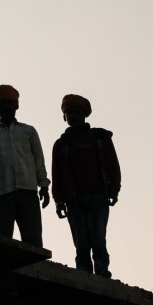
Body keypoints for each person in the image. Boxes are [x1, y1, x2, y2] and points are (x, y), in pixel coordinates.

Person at [51, 94, 121, 278]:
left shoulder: (100, 137)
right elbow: (56, 175)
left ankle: (102, 271)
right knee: (81, 243)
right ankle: (83, 273)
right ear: (64, 116)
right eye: (69, 112)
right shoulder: (61, 144)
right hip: (73, 199)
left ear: (85, 114)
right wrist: (58, 201)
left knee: (98, 239)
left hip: (98, 195)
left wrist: (115, 188)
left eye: (77, 112)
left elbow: (112, 163)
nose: (73, 116)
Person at [0, 85, 49, 246]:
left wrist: (43, 185)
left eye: (10, 102)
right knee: (1, 244)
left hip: (28, 191)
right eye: (2, 102)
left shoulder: (29, 131)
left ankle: (34, 272)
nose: (6, 106)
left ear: (17, 105)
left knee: (34, 242)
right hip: (0, 193)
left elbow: (39, 160)